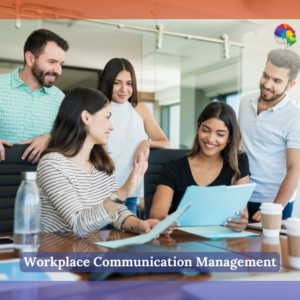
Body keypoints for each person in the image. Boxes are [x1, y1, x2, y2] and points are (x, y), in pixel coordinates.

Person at [37, 87, 176, 238]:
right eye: (108, 117)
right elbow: (80, 225)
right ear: (86, 117)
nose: (112, 126)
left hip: (89, 249)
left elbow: (117, 212)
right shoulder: (52, 164)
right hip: (56, 252)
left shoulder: (100, 163)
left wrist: (141, 225)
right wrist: (124, 191)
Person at [150, 102, 250, 232]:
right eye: (205, 130)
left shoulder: (238, 162)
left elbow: (242, 211)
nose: (210, 139)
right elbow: (156, 210)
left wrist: (241, 222)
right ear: (198, 128)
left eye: (220, 134)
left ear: (229, 137)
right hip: (181, 241)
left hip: (224, 242)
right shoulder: (173, 168)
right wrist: (161, 219)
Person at [98, 58, 171, 215]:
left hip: (130, 191)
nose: (124, 89)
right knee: (99, 238)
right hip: (100, 191)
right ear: (108, 82)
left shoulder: (140, 110)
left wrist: (147, 143)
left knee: (127, 237)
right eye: (117, 82)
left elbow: (166, 143)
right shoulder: (97, 109)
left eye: (129, 83)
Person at [238, 49, 300, 222]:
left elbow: (295, 169)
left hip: (273, 202)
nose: (267, 84)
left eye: (277, 81)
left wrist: (275, 207)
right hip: (241, 196)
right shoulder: (245, 101)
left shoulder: (295, 118)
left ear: (290, 85)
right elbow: (238, 146)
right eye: (265, 76)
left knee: (269, 249)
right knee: (236, 248)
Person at [0, 29, 69, 164]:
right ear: (30, 58)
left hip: (43, 179)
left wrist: (51, 139)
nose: (58, 71)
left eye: (61, 64)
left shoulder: (60, 98)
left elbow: (68, 138)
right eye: (52, 62)